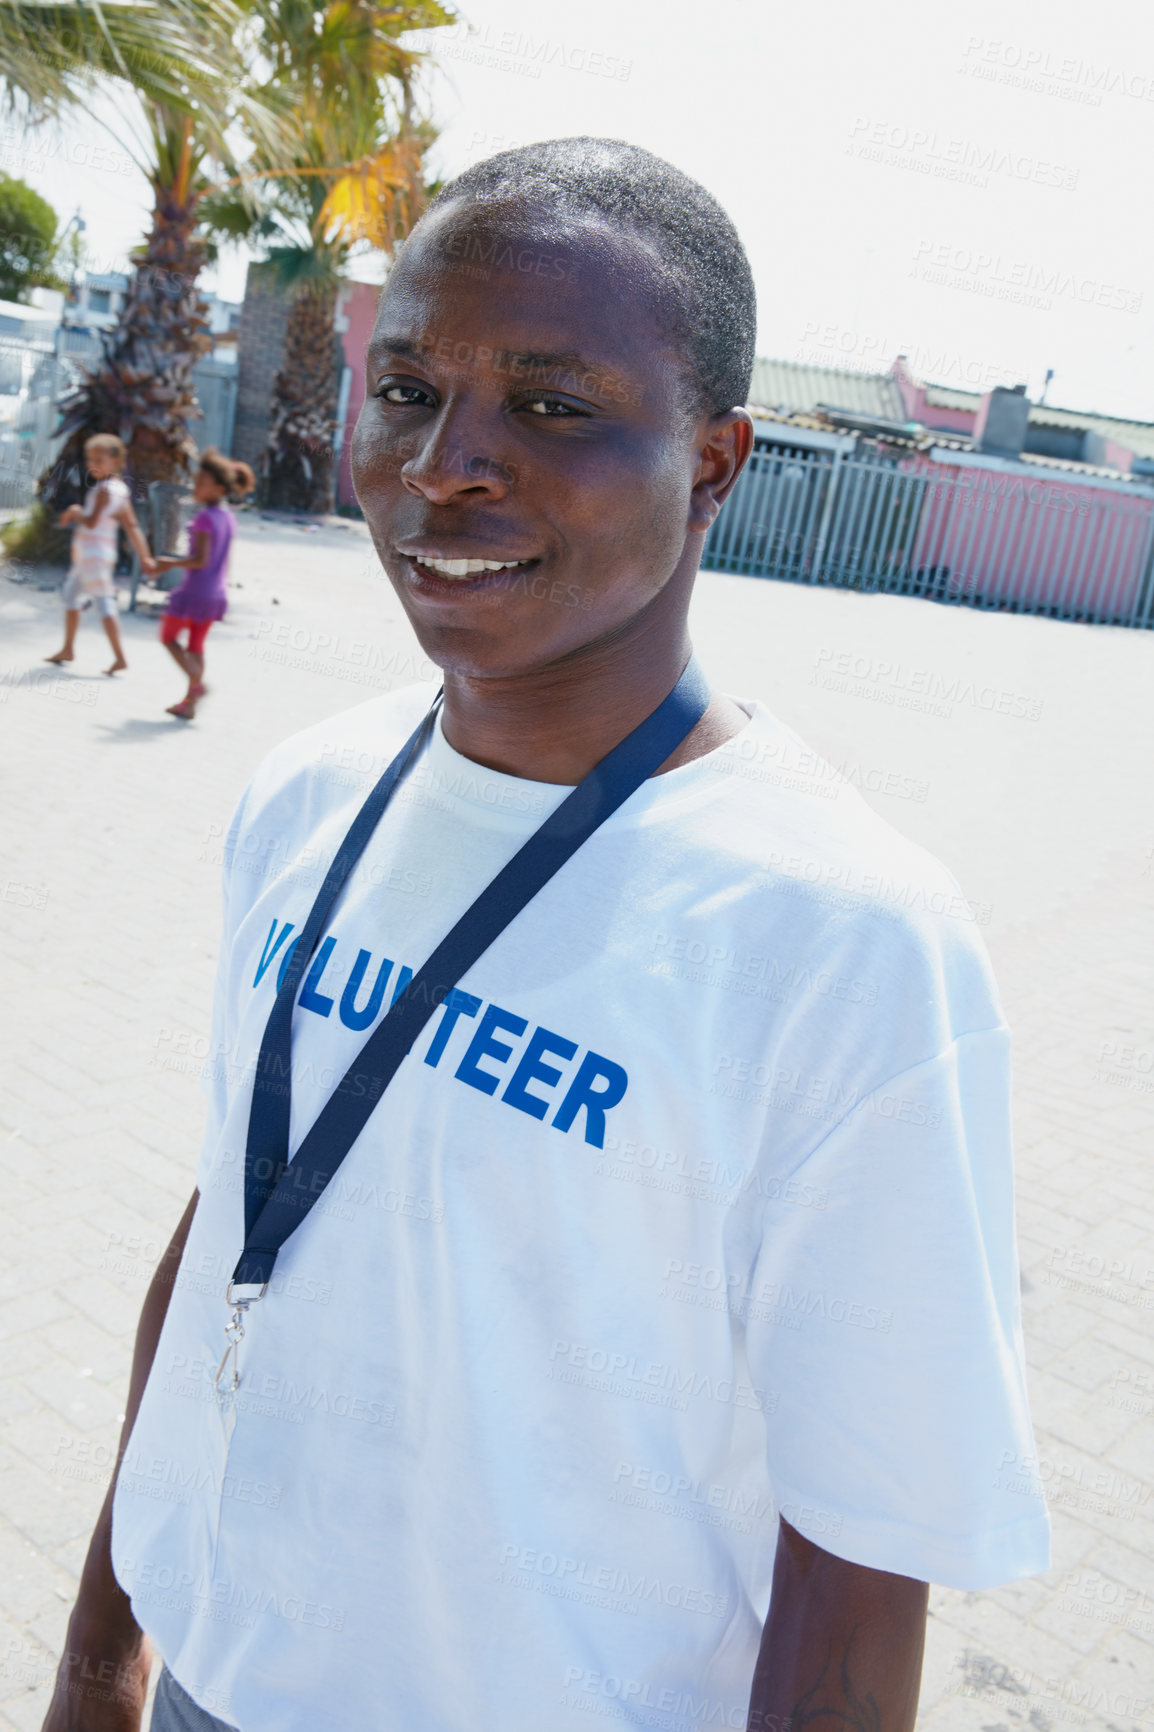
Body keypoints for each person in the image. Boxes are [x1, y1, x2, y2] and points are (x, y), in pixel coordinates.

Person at [43, 140, 1050, 1732]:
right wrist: (103, 1657)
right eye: (406, 391)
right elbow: (245, 1207)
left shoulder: (842, 943)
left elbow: (858, 1572)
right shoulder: (308, 793)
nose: (448, 463)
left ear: (713, 462)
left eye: (552, 407)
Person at [151, 450, 255, 721]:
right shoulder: (227, 516)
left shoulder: (205, 518)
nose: (195, 486)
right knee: (196, 646)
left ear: (219, 487)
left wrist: (167, 563)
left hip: (194, 592)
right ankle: (189, 705)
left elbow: (200, 560)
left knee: (168, 637)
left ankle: (196, 686)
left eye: (202, 482)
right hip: (216, 594)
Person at [45, 433, 156, 675]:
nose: (92, 464)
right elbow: (132, 526)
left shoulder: (105, 490)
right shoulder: (120, 490)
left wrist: (74, 511)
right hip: (93, 556)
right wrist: (145, 556)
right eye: (89, 459)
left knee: (104, 603)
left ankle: (119, 657)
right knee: (72, 595)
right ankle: (68, 648)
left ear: (116, 462)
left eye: (99, 459)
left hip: (93, 556)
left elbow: (92, 521)